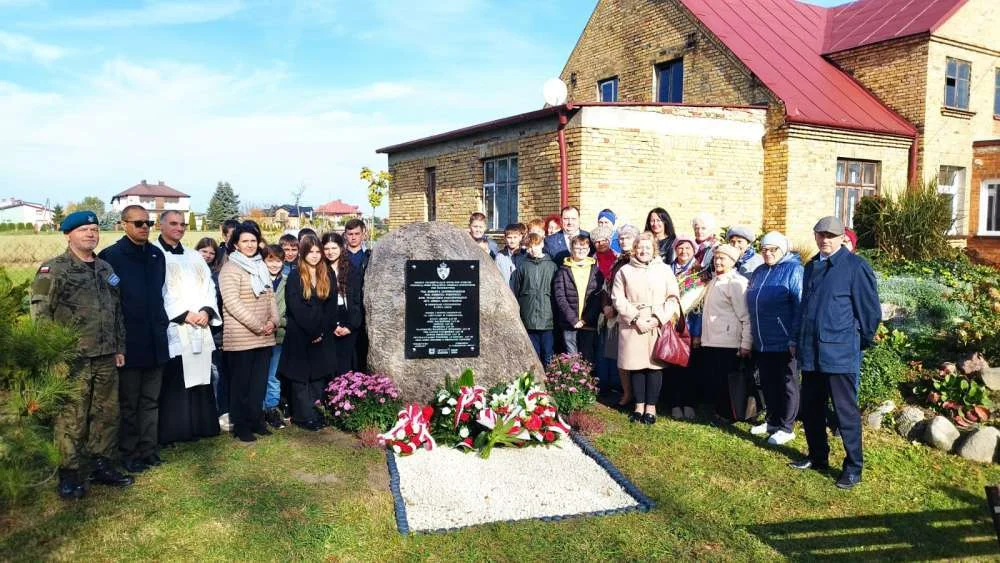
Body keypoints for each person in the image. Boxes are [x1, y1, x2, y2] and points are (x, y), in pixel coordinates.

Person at [31, 211, 133, 499]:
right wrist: (54, 355)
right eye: (83, 230)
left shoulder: (104, 268)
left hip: (105, 356)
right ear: (68, 235)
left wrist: (119, 347)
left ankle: (102, 465)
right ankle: (70, 474)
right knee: (71, 417)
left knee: (106, 414)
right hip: (71, 358)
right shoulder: (53, 269)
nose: (90, 234)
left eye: (94, 229)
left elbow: (117, 313)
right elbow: (40, 315)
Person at [790, 216, 880, 490]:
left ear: (842, 238)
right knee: (811, 409)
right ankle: (818, 456)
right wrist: (798, 339)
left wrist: (856, 342)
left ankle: (853, 467)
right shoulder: (811, 266)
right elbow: (805, 307)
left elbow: (870, 313)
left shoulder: (855, 267)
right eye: (820, 234)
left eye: (831, 235)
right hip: (811, 351)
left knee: (845, 412)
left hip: (840, 353)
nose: (825, 239)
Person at [98, 205, 170, 474]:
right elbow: (109, 305)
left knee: (151, 400)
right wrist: (117, 343)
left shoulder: (155, 255)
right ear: (123, 224)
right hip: (129, 342)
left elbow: (159, 294)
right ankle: (128, 453)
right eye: (138, 223)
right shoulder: (111, 257)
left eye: (148, 223)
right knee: (129, 403)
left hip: (155, 340)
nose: (144, 227)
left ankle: (148, 449)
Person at [154, 211, 222, 446]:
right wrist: (184, 314)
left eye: (183, 224)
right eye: (173, 223)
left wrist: (205, 310)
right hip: (176, 326)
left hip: (200, 325)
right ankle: (177, 429)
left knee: (202, 376)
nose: (179, 228)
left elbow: (209, 287)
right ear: (160, 225)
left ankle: (202, 425)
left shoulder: (195, 256)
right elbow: (159, 292)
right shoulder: (155, 254)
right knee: (176, 379)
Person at [219, 223, 279, 442]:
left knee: (258, 383)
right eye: (245, 241)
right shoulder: (230, 268)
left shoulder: (261, 266)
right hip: (241, 337)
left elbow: (270, 296)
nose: (250, 244)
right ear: (236, 244)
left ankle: (256, 421)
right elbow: (232, 303)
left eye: (253, 241)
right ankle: (241, 426)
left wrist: (274, 320)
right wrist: (258, 325)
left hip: (264, 336)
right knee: (241, 385)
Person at [612, 232, 680, 425]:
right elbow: (618, 298)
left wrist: (658, 319)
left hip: (655, 323)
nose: (643, 251)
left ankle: (651, 407)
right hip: (633, 323)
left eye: (648, 248)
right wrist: (635, 318)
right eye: (640, 247)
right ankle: (638, 405)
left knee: (654, 367)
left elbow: (673, 297)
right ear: (634, 249)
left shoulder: (665, 270)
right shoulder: (624, 271)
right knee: (636, 366)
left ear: (654, 250)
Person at [747, 232, 803, 445]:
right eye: (764, 249)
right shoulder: (760, 271)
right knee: (768, 382)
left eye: (773, 249)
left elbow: (799, 306)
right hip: (762, 339)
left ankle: (786, 427)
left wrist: (794, 338)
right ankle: (772, 420)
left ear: (783, 250)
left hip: (784, 339)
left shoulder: (794, 270)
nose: (768, 253)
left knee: (787, 383)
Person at [281, 235, 339, 431]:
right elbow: (296, 307)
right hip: (300, 335)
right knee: (301, 379)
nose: (314, 256)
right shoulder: (296, 276)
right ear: (303, 253)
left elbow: (331, 306)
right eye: (310, 252)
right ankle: (302, 416)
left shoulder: (327, 273)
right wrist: (312, 331)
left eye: (317, 252)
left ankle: (315, 412)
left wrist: (323, 331)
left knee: (317, 377)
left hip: (322, 335)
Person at [700, 243, 752, 424]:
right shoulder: (714, 281)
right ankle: (718, 411)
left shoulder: (736, 283)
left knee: (727, 382)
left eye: (722, 258)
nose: (718, 261)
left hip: (728, 341)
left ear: (732, 261)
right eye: (716, 258)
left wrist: (746, 343)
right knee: (716, 379)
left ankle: (729, 414)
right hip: (712, 339)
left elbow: (746, 316)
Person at [665, 234, 708, 421]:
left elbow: (700, 307)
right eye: (680, 248)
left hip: (690, 327)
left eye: (688, 248)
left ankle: (689, 403)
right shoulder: (667, 270)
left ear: (694, 251)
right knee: (672, 364)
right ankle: (674, 403)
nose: (683, 251)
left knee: (690, 367)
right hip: (670, 325)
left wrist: (697, 333)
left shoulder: (700, 273)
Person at [195, 237, 229, 428]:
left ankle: (216, 411)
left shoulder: (217, 276)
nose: (207, 256)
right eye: (204, 251)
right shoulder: (190, 271)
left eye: (211, 253)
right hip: (192, 328)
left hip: (214, 331)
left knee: (215, 373)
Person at [602, 224, 638, 406]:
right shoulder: (618, 260)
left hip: (630, 314)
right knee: (620, 357)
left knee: (632, 356)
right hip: (614, 314)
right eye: (622, 238)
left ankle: (636, 394)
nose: (624, 241)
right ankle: (627, 393)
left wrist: (616, 308)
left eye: (628, 238)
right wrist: (607, 306)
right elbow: (608, 286)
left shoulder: (638, 259)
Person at [554, 235, 604, 364]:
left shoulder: (596, 271)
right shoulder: (563, 271)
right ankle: (574, 383)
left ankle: (588, 383)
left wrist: (586, 319)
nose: (580, 251)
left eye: (584, 248)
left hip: (588, 323)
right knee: (572, 357)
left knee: (588, 358)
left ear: (588, 250)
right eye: (577, 248)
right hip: (570, 323)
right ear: (571, 249)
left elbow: (597, 297)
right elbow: (560, 297)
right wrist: (573, 319)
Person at [510, 233, 558, 364]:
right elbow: (515, 290)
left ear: (542, 244)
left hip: (548, 318)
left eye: (536, 246)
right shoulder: (522, 267)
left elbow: (556, 293)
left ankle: (550, 380)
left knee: (548, 353)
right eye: (529, 247)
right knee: (533, 353)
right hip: (528, 316)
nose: (533, 249)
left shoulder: (552, 266)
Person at [323, 232, 363, 376]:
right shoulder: (320, 270)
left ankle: (345, 396)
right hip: (328, 321)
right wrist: (332, 325)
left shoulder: (351, 270)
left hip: (349, 318)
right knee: (330, 364)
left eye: (334, 248)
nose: (330, 252)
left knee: (346, 364)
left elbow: (357, 301)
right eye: (326, 248)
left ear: (341, 248)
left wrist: (350, 326)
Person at [260, 245, 288, 429]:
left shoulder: (287, 281)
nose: (274, 264)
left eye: (278, 260)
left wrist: (278, 323)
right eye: (270, 260)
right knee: (258, 375)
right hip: (258, 334)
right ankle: (258, 408)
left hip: (278, 336)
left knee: (273, 375)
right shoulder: (256, 280)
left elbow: (292, 309)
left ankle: (271, 408)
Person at [343, 218, 370, 371]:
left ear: (363, 234)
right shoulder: (339, 257)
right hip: (346, 311)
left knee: (362, 354)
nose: (353, 237)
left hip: (364, 310)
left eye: (357, 233)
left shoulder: (369, 257)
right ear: (345, 235)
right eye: (350, 234)